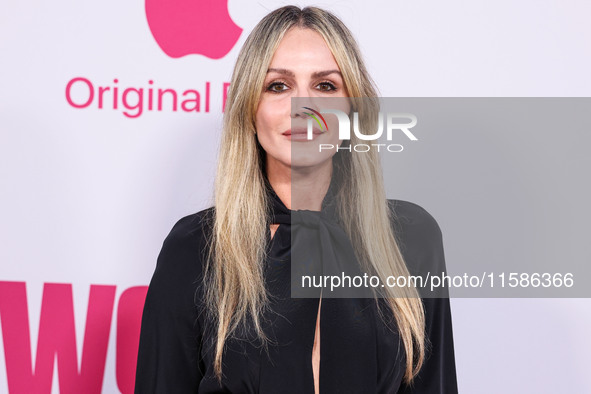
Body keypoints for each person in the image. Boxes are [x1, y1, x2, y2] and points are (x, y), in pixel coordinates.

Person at [134, 5, 458, 394]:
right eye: (278, 86)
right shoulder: (195, 246)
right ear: (249, 111)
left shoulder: (411, 237)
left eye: (325, 86)